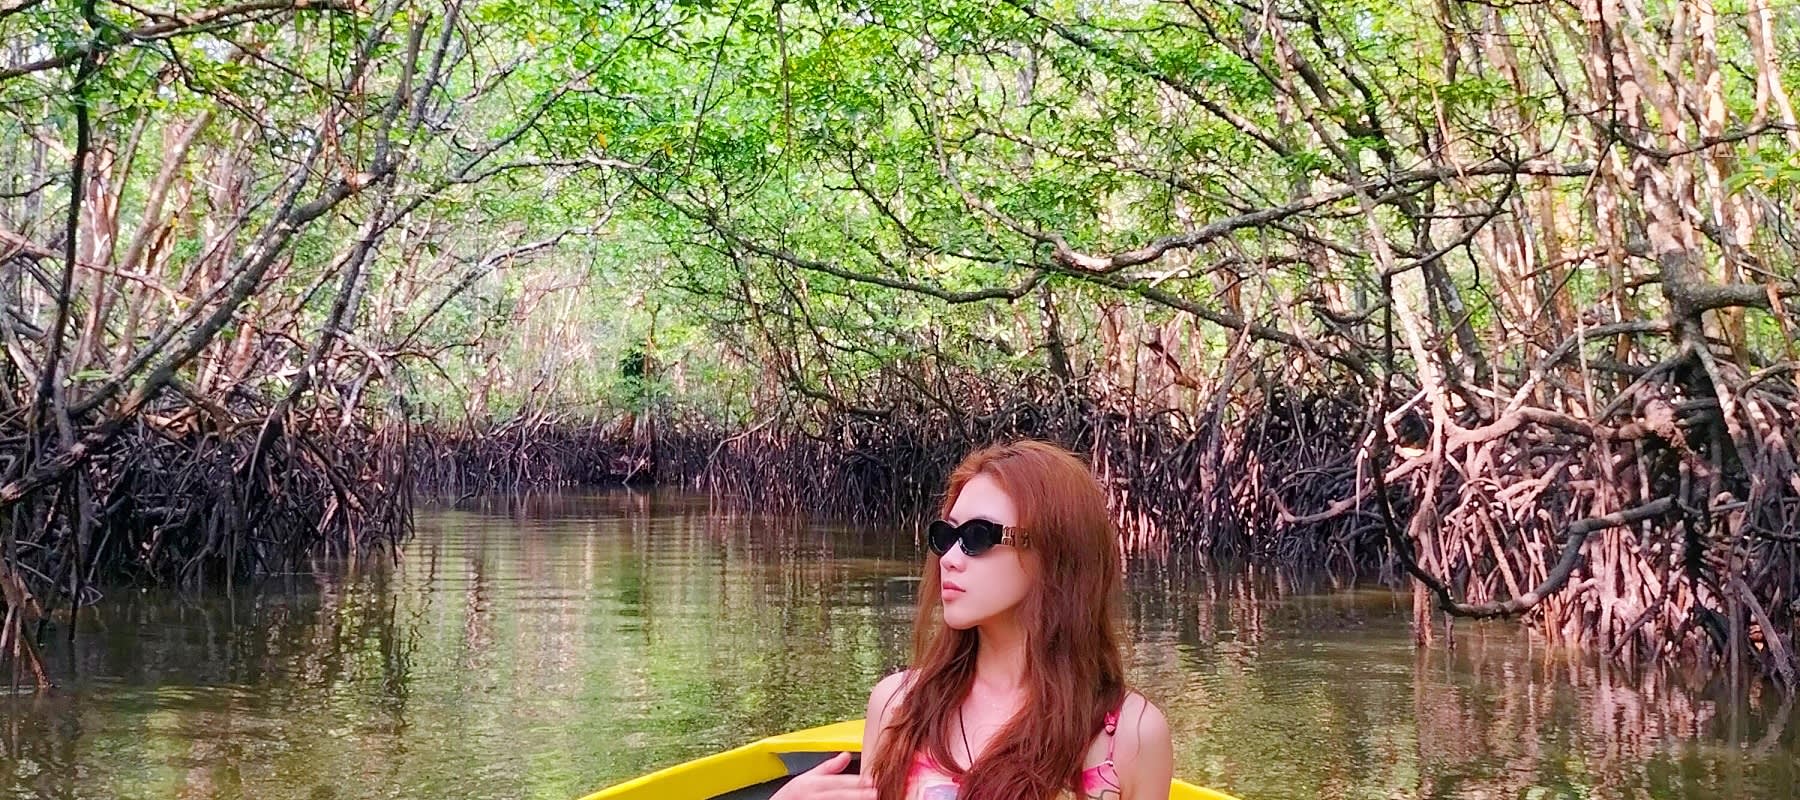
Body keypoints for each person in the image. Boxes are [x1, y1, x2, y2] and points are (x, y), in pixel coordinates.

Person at [775, 440, 1174, 800]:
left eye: (977, 536)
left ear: (1055, 553)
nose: (948, 559)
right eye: (946, 536)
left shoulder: (1132, 735)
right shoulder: (898, 706)